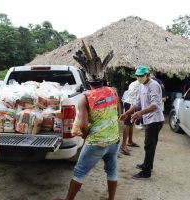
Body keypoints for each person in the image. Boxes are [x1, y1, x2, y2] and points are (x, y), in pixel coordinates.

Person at [57, 41, 119, 200]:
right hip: (113, 140)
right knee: (112, 171)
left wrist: (86, 135)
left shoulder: (85, 98)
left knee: (79, 172)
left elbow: (84, 126)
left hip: (96, 142)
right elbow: (117, 114)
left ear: (88, 80)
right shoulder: (113, 91)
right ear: (103, 78)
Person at [119, 65, 164, 180]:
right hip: (148, 119)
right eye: (138, 76)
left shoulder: (154, 85)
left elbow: (155, 105)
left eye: (141, 76)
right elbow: (137, 103)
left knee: (149, 145)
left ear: (148, 75)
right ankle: (147, 165)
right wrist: (127, 113)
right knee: (148, 144)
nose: (139, 78)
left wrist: (139, 113)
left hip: (155, 120)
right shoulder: (141, 86)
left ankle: (146, 172)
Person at [120, 80, 140, 156]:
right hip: (130, 103)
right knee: (127, 123)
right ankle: (123, 145)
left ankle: (130, 141)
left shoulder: (134, 83)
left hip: (130, 103)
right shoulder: (141, 84)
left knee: (131, 123)